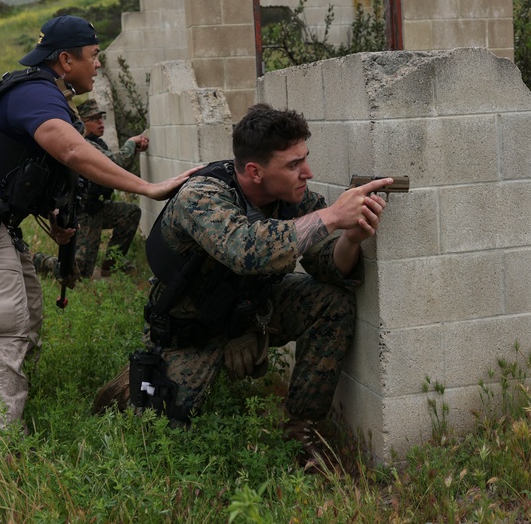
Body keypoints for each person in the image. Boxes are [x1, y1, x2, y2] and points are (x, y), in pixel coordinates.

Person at [0, 15, 194, 432]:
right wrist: (147, 187)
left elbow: (33, 170)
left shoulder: (44, 92)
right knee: (6, 325)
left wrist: (53, 219)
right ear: (65, 60)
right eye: (93, 56)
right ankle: (2, 442)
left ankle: (15, 394)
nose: (98, 65)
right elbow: (71, 152)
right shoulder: (34, 94)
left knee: (29, 309)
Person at [93, 103, 392, 471]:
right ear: (254, 171)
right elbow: (245, 250)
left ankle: (301, 429)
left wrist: (351, 238)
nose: (307, 173)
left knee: (332, 302)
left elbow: (327, 264)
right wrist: (331, 216)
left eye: (305, 160)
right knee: (158, 441)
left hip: (250, 311)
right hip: (193, 332)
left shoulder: (292, 200)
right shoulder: (201, 196)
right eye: (293, 165)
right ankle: (128, 386)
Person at [33, 99, 146, 280]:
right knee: (80, 271)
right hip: (83, 213)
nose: (100, 123)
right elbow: (115, 162)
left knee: (130, 213)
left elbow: (115, 171)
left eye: (101, 118)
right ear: (83, 123)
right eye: (94, 119)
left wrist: (134, 149)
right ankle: (40, 261)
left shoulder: (98, 144)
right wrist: (132, 143)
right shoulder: (85, 144)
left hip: (98, 207)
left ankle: (113, 264)